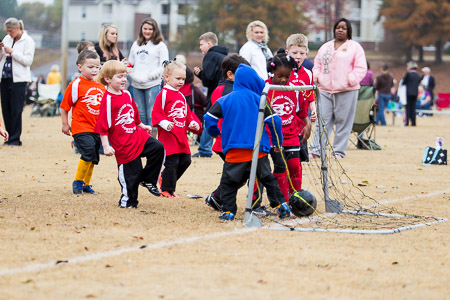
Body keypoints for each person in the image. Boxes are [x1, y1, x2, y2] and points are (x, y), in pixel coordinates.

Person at [204, 63, 291, 221]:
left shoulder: (226, 99)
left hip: (236, 148)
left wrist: (215, 132)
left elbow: (209, 118)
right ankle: (281, 205)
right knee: (267, 178)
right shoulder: (260, 100)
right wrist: (277, 142)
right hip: (259, 149)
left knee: (229, 181)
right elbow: (276, 121)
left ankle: (229, 211)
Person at [94, 60, 165, 208]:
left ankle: (148, 179)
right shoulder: (107, 100)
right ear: (107, 79)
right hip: (124, 145)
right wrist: (106, 146)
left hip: (137, 135)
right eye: (119, 76)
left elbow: (133, 112)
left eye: (125, 76)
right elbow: (103, 126)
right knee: (132, 176)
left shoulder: (126, 93)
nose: (123, 80)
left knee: (158, 148)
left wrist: (141, 125)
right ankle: (128, 202)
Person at [309, 18, 367, 159]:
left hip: (347, 89)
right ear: (334, 29)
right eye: (338, 27)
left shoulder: (354, 47)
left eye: (344, 28)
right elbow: (317, 63)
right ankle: (316, 150)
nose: (340, 30)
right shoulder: (326, 47)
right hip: (325, 89)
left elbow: (360, 67)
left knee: (343, 122)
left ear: (348, 31)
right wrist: (317, 76)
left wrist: (350, 80)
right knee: (323, 120)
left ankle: (339, 152)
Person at [204, 54, 252, 211]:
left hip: (228, 141)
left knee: (241, 174)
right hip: (227, 141)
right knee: (238, 174)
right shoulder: (227, 90)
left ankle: (217, 197)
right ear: (230, 74)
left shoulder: (226, 88)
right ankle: (219, 198)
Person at [265, 53, 311, 202]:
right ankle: (282, 202)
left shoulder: (295, 88)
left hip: (292, 135)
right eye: (279, 76)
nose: (283, 80)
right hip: (274, 138)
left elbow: (301, 109)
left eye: (287, 76)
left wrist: (306, 123)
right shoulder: (266, 88)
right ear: (272, 72)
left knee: (294, 166)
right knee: (280, 168)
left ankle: (296, 198)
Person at [151, 61, 200, 198]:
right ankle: (167, 190)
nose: (181, 82)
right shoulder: (164, 94)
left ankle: (165, 178)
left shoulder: (181, 96)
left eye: (183, 79)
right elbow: (156, 113)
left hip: (181, 136)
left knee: (186, 160)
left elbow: (187, 114)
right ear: (166, 77)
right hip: (168, 136)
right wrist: (164, 123)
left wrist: (192, 123)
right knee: (172, 163)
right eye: (178, 78)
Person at [60, 50, 106, 194]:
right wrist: (65, 124)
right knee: (87, 153)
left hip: (97, 129)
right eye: (90, 67)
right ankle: (77, 182)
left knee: (93, 157)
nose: (94, 70)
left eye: (97, 67)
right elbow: (64, 106)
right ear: (80, 67)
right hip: (81, 127)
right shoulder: (75, 85)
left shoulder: (101, 86)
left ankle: (86, 184)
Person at [192, 32, 229, 158]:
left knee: (209, 116)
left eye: (201, 44)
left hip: (216, 92)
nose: (200, 47)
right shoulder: (224, 56)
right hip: (227, 90)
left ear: (209, 44)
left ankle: (204, 149)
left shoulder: (210, 56)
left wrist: (200, 74)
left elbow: (208, 79)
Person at [128, 18, 169, 130]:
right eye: (145, 29)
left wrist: (150, 76)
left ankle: (153, 143)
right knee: (140, 115)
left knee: (152, 114)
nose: (147, 31)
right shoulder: (136, 45)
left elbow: (164, 65)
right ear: (141, 29)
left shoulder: (160, 45)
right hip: (136, 84)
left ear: (155, 30)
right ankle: (143, 142)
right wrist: (133, 76)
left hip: (153, 84)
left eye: (150, 29)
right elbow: (130, 64)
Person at [0, 18, 35, 146]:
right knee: (6, 108)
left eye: (10, 31)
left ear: (17, 28)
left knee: (16, 109)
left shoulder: (28, 41)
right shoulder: (6, 39)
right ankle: (8, 136)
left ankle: (15, 138)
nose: (9, 33)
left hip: (19, 79)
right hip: (5, 78)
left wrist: (13, 52)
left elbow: (28, 61)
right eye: (7, 31)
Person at [285, 34, 317, 162]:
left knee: (299, 158)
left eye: (301, 53)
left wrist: (313, 109)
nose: (298, 56)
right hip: (286, 118)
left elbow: (309, 95)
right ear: (287, 52)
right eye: (294, 53)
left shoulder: (308, 74)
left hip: (301, 118)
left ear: (306, 54)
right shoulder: (283, 72)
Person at [402, 61, 421, 126]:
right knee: (413, 108)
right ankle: (413, 122)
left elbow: (403, 82)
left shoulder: (408, 74)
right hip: (415, 93)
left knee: (408, 108)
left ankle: (407, 122)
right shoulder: (418, 75)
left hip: (408, 93)